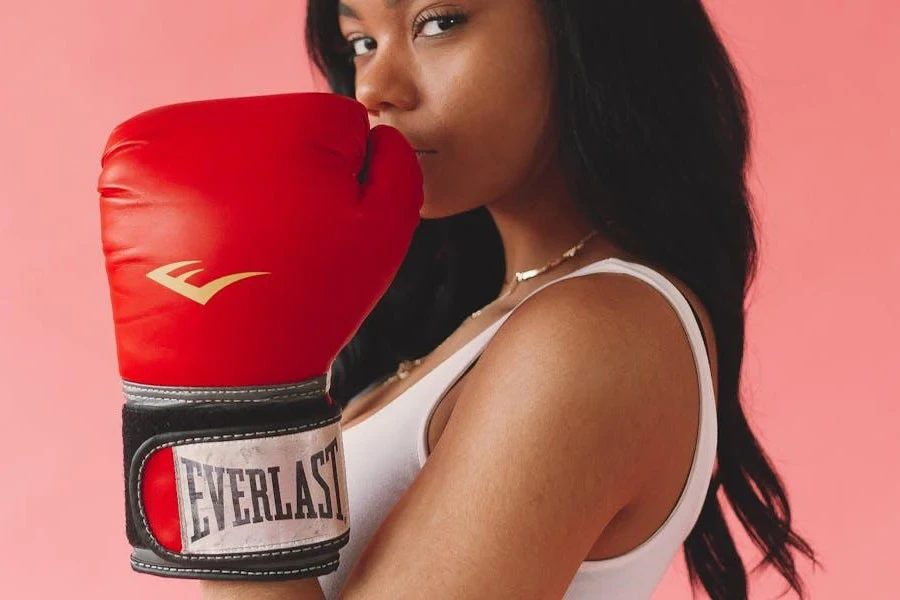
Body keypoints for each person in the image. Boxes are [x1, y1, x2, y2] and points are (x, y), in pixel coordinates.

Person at [195, 0, 815, 598]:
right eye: (362, 42)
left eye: (437, 22)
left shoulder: (596, 333)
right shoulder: (492, 317)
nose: (374, 89)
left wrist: (229, 400)